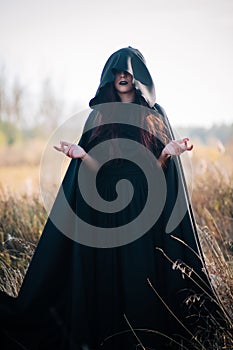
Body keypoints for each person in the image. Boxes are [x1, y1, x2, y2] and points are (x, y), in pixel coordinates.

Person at [0, 47, 221, 350]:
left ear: (139, 77)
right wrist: (82, 156)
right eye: (117, 71)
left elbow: (154, 171)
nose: (122, 76)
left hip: (145, 207)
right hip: (102, 209)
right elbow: (99, 169)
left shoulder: (156, 115)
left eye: (129, 71)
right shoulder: (99, 115)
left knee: (139, 275)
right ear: (109, 76)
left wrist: (167, 154)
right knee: (104, 278)